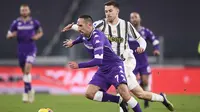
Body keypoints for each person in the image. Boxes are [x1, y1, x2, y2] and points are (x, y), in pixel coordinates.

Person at [62, 1, 174, 112]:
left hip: (125, 62)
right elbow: (86, 30)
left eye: (110, 11)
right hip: (107, 64)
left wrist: (142, 48)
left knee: (122, 92)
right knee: (139, 94)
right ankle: (161, 98)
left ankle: (125, 105)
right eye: (106, 11)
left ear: (117, 11)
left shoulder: (126, 25)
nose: (108, 13)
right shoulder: (100, 24)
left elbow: (141, 40)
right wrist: (73, 29)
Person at [63, 15, 142, 112]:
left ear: (89, 25)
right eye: (78, 26)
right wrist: (73, 42)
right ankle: (118, 100)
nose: (79, 29)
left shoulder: (98, 38)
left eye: (80, 26)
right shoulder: (85, 34)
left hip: (115, 67)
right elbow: (81, 38)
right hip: (103, 70)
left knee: (125, 95)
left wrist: (79, 65)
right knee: (89, 93)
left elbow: (97, 61)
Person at [6, 4, 43, 103]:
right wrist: (12, 35)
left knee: (27, 69)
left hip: (31, 48)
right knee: (25, 73)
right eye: (22, 10)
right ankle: (30, 89)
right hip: (21, 49)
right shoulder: (16, 23)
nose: (24, 12)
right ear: (20, 12)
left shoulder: (34, 22)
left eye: (26, 10)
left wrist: (37, 37)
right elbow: (8, 34)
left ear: (29, 11)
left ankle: (26, 93)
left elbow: (40, 32)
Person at [129, 12, 160, 108]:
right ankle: (127, 103)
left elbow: (154, 40)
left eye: (136, 17)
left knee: (145, 82)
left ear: (139, 19)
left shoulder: (145, 31)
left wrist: (156, 49)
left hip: (143, 61)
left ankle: (146, 99)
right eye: (132, 17)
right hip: (130, 62)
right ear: (130, 20)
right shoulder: (126, 32)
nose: (134, 19)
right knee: (129, 84)